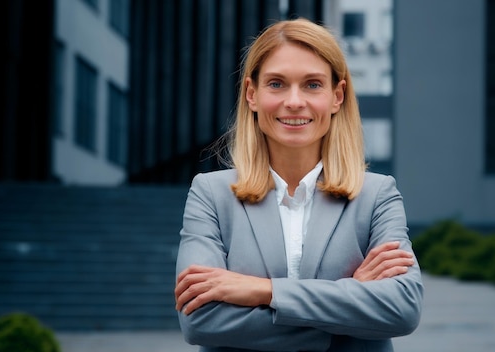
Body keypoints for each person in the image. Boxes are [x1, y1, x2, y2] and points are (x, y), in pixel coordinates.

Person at [175, 18, 423, 352]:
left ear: (337, 96)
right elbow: (199, 319)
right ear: (252, 94)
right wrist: (347, 314)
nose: (294, 101)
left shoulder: (376, 195)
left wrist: (265, 291)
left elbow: (402, 310)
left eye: (312, 85)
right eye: (276, 84)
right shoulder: (211, 194)